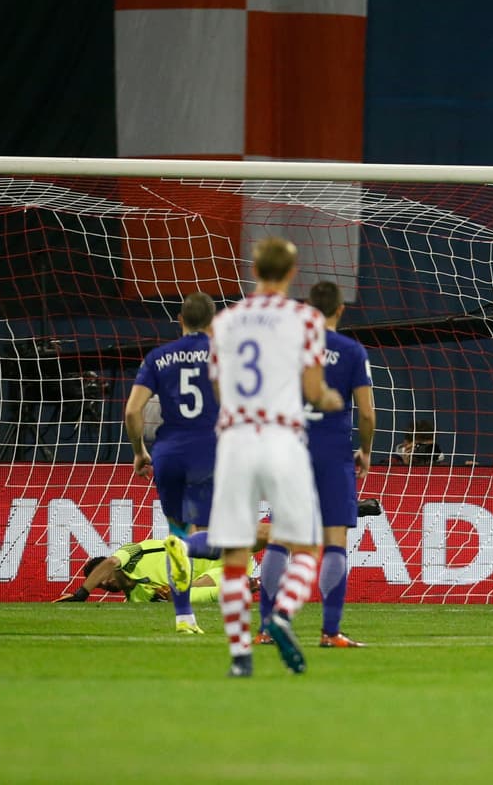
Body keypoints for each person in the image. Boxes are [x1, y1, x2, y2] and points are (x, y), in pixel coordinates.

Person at [207, 236, 345, 678]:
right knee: (305, 543)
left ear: (254, 270)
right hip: (283, 438)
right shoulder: (305, 319)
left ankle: (240, 656)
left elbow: (217, 387)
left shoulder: (225, 321)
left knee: (234, 554)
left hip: (235, 439)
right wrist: (328, 398)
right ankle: (283, 614)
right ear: (291, 273)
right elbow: (312, 390)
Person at [256, 281, 375, 649]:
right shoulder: (352, 351)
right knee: (334, 540)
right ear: (340, 309)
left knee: (282, 537)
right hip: (332, 453)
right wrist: (365, 451)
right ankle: (330, 632)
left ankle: (265, 628)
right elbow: (367, 414)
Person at [123, 292, 220, 634]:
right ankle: (191, 549)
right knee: (221, 536)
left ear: (180, 319)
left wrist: (139, 451)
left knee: (176, 532)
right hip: (210, 450)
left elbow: (133, 410)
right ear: (213, 323)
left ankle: (183, 618)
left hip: (168, 451)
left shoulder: (158, 357)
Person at [52, 537, 239, 605]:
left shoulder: (132, 552)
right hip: (224, 576)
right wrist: (165, 596)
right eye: (100, 585)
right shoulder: (136, 600)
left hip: (219, 551)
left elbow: (111, 562)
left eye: (103, 577)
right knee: (179, 596)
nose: (105, 583)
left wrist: (81, 594)